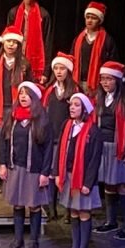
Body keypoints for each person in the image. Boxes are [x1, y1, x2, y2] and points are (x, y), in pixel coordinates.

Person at [0, 81, 52, 248]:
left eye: (26, 94)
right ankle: (18, 239)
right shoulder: (12, 116)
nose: (22, 97)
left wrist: (45, 172)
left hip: (33, 169)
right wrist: (2, 164)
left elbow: (48, 148)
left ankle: (34, 240)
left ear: (34, 98)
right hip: (15, 166)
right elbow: (3, 141)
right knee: (17, 204)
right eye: (21, 93)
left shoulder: (42, 118)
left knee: (34, 204)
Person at [93, 62, 125, 239]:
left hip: (120, 148)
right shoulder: (100, 98)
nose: (105, 83)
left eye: (109, 79)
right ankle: (111, 221)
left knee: (122, 186)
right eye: (103, 79)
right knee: (108, 185)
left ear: (118, 80)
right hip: (103, 147)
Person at [56, 92, 103, 248]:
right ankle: (74, 247)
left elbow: (95, 160)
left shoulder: (93, 131)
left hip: (83, 179)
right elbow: (60, 150)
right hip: (69, 176)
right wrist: (57, 173)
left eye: (76, 105)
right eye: (71, 105)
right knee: (73, 211)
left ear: (84, 109)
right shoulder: (67, 125)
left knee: (83, 212)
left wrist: (88, 183)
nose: (72, 108)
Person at [43, 53, 78, 220]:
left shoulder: (74, 91)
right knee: (51, 173)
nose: (58, 72)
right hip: (52, 138)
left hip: (68, 138)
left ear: (68, 71)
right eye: (56, 68)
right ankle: (51, 208)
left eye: (62, 68)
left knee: (67, 174)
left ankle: (69, 210)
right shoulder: (50, 90)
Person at [5, 0, 53, 85]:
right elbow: (8, 38)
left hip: (34, 65)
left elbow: (47, 43)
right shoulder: (14, 13)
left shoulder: (43, 15)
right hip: (15, 61)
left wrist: (45, 71)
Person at [71, 1, 119, 93]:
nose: (89, 20)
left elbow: (112, 63)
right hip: (78, 83)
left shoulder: (107, 40)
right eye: (88, 17)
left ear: (99, 21)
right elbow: (72, 59)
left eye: (93, 18)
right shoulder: (78, 39)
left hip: (98, 85)